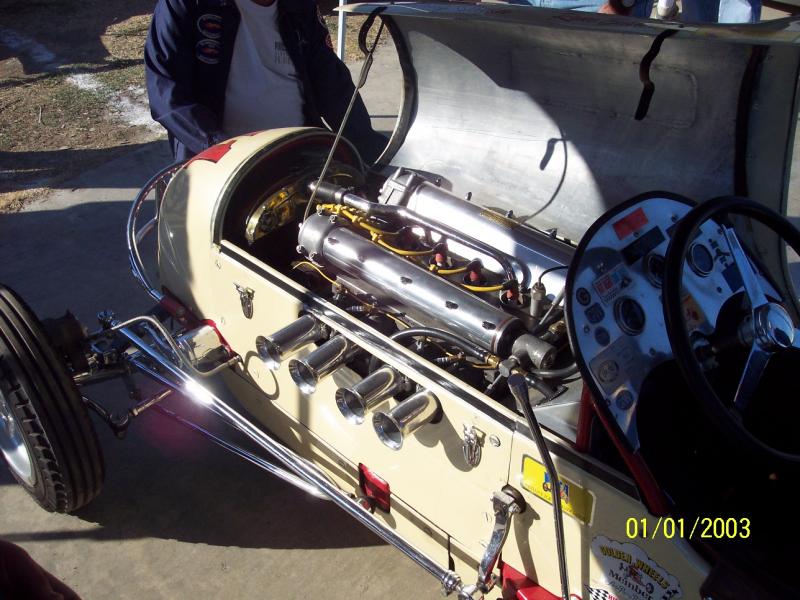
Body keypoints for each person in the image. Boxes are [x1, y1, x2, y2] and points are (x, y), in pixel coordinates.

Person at [144, 0, 387, 163]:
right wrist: (223, 148)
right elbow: (166, 92)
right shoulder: (188, 4)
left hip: (299, 157)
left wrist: (372, 150)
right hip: (219, 164)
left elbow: (333, 86)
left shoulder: (299, 6)